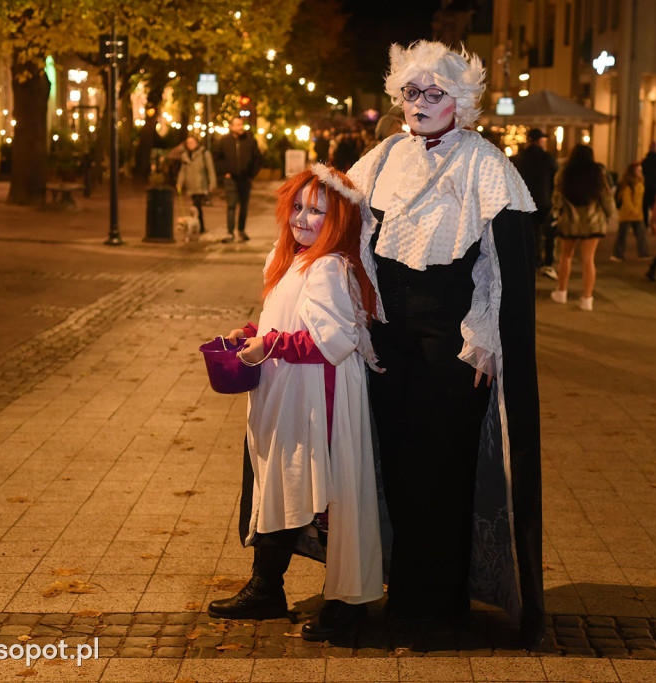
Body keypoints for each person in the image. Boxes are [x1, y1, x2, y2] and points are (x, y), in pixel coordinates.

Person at [347, 40, 544, 647]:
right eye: (412, 92)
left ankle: (433, 606)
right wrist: (357, 317)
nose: (422, 104)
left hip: (450, 341)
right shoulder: (380, 160)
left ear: (461, 102)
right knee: (393, 462)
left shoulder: (487, 165)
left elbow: (499, 269)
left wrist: (482, 337)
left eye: (436, 94)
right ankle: (394, 590)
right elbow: (347, 240)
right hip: (389, 340)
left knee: (442, 468)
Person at [207, 165, 383, 640]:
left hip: (315, 402)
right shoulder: (291, 260)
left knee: (325, 494)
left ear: (340, 219)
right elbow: (283, 320)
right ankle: (266, 588)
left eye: (318, 211)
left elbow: (334, 342)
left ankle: (347, 603)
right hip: (284, 396)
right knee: (280, 487)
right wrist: (250, 335)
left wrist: (273, 345)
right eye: (299, 208)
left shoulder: (329, 266)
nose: (303, 219)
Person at [549, 143, 614, 310]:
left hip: (570, 221)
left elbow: (556, 197)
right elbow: (606, 197)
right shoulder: (598, 172)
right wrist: (608, 214)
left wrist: (557, 212)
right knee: (588, 260)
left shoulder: (565, 172)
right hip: (593, 222)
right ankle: (587, 299)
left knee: (566, 256)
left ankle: (561, 292)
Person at [515, 128, 559, 279]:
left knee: (530, 233)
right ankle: (547, 263)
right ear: (540, 141)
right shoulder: (548, 158)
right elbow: (556, 178)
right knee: (549, 233)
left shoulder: (520, 158)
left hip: (525, 202)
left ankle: (532, 261)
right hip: (545, 202)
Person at [215, 116, 262, 243]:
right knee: (231, 206)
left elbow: (258, 158)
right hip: (230, 179)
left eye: (241, 124)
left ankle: (241, 230)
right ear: (231, 127)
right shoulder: (224, 141)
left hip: (245, 179)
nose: (240, 127)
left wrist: (252, 175)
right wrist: (224, 172)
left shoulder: (250, 141)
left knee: (244, 206)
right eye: (237, 125)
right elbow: (218, 158)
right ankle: (230, 232)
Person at [176, 135, 216, 234]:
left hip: (201, 184)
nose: (190, 145)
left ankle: (198, 226)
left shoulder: (204, 153)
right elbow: (183, 171)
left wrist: (212, 183)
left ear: (196, 143)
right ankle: (198, 225)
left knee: (196, 206)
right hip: (191, 185)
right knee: (196, 207)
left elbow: (210, 169)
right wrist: (179, 183)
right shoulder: (185, 155)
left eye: (192, 142)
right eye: (188, 143)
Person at [612, 162, 648, 261]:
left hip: (637, 214)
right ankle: (617, 255)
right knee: (622, 235)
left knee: (641, 234)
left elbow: (640, 200)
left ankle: (643, 254)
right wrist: (633, 210)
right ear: (632, 172)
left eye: (641, 170)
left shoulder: (640, 183)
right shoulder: (627, 184)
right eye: (638, 170)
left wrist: (638, 211)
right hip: (627, 214)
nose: (640, 172)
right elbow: (626, 200)